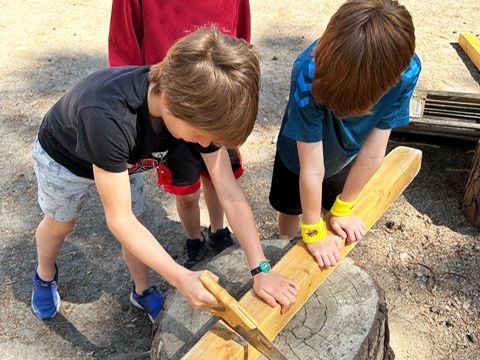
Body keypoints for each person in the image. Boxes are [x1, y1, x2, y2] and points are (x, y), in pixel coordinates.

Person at [31, 28, 298, 323]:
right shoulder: (110, 117)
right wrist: (181, 277)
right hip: (66, 157)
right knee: (60, 225)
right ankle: (44, 274)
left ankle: (142, 290)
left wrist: (261, 268)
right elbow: (118, 220)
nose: (206, 146)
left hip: (126, 158)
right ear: (169, 102)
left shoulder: (198, 106)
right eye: (199, 136)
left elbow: (227, 188)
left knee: (138, 223)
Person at [269, 0, 421, 268]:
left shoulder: (406, 74)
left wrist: (344, 208)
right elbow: (311, 167)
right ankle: (284, 245)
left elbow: (374, 150)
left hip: (347, 155)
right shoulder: (309, 71)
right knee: (290, 208)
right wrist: (313, 231)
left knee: (330, 201)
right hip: (298, 155)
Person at [108, 0, 251, 268]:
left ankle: (218, 230)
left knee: (217, 178)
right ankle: (193, 238)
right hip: (174, 111)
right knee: (186, 191)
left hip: (217, 103)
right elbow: (123, 50)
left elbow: (240, 38)